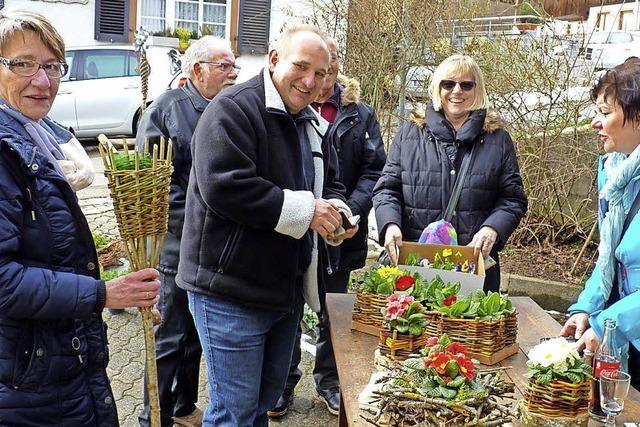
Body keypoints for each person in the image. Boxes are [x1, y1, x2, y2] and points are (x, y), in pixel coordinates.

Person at [176, 24, 357, 426]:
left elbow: (332, 183)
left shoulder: (307, 122)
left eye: (321, 73)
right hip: (229, 293)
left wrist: (339, 214)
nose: (311, 82)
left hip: (281, 291)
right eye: (301, 66)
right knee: (233, 414)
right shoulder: (233, 108)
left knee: (261, 405)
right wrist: (309, 211)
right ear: (274, 59)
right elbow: (225, 186)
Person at [0, 10, 160, 426]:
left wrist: (126, 293)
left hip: (59, 361)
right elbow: (3, 282)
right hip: (24, 381)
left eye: (52, 66)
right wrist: (105, 294)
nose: (43, 80)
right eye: (23, 64)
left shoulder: (42, 137)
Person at [269, 35, 386, 418]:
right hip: (293, 230)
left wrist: (349, 211)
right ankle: (282, 385)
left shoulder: (359, 114)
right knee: (288, 308)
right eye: (319, 64)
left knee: (333, 312)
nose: (326, 71)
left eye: (332, 63)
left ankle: (330, 381)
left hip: (341, 234)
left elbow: (373, 171)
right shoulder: (289, 106)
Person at [136, 36, 238, 427]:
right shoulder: (166, 111)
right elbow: (153, 187)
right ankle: (153, 417)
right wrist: (203, 214)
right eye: (224, 66)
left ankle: (181, 406)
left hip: (212, 246)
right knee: (170, 338)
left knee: (196, 333)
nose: (232, 75)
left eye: (234, 67)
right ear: (197, 70)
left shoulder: (226, 110)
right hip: (177, 245)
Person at [373, 54, 527, 292]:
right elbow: (387, 189)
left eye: (467, 84)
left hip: (474, 268)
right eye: (449, 84)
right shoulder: (410, 134)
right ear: (437, 88)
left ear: (478, 90)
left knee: (470, 329)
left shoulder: (498, 139)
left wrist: (492, 228)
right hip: (416, 265)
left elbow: (512, 198)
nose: (457, 91)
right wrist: (390, 224)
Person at [560, 57, 640, 390]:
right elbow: (609, 256)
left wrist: (610, 323)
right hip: (623, 332)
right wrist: (587, 308)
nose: (595, 123)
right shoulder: (613, 172)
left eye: (605, 113)